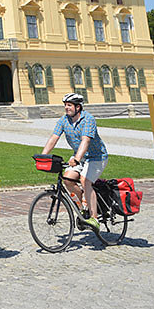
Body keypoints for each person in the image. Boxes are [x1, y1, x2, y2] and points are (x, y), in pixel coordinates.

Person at [40, 93, 108, 232]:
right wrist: (43, 155)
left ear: (78, 107)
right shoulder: (64, 120)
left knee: (85, 181)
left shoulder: (88, 119)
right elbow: (54, 137)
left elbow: (86, 140)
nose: (66, 108)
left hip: (97, 157)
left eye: (69, 105)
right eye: (65, 105)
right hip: (80, 158)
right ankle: (84, 201)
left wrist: (76, 159)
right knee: (67, 179)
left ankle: (94, 218)